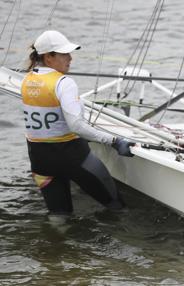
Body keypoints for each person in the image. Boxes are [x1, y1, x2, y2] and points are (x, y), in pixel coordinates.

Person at [21, 30, 135, 220]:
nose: (70, 58)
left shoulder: (27, 80)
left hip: (40, 160)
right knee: (118, 208)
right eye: (64, 54)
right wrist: (114, 140)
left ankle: (56, 247)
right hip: (73, 157)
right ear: (49, 57)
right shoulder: (64, 83)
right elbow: (76, 126)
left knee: (59, 217)